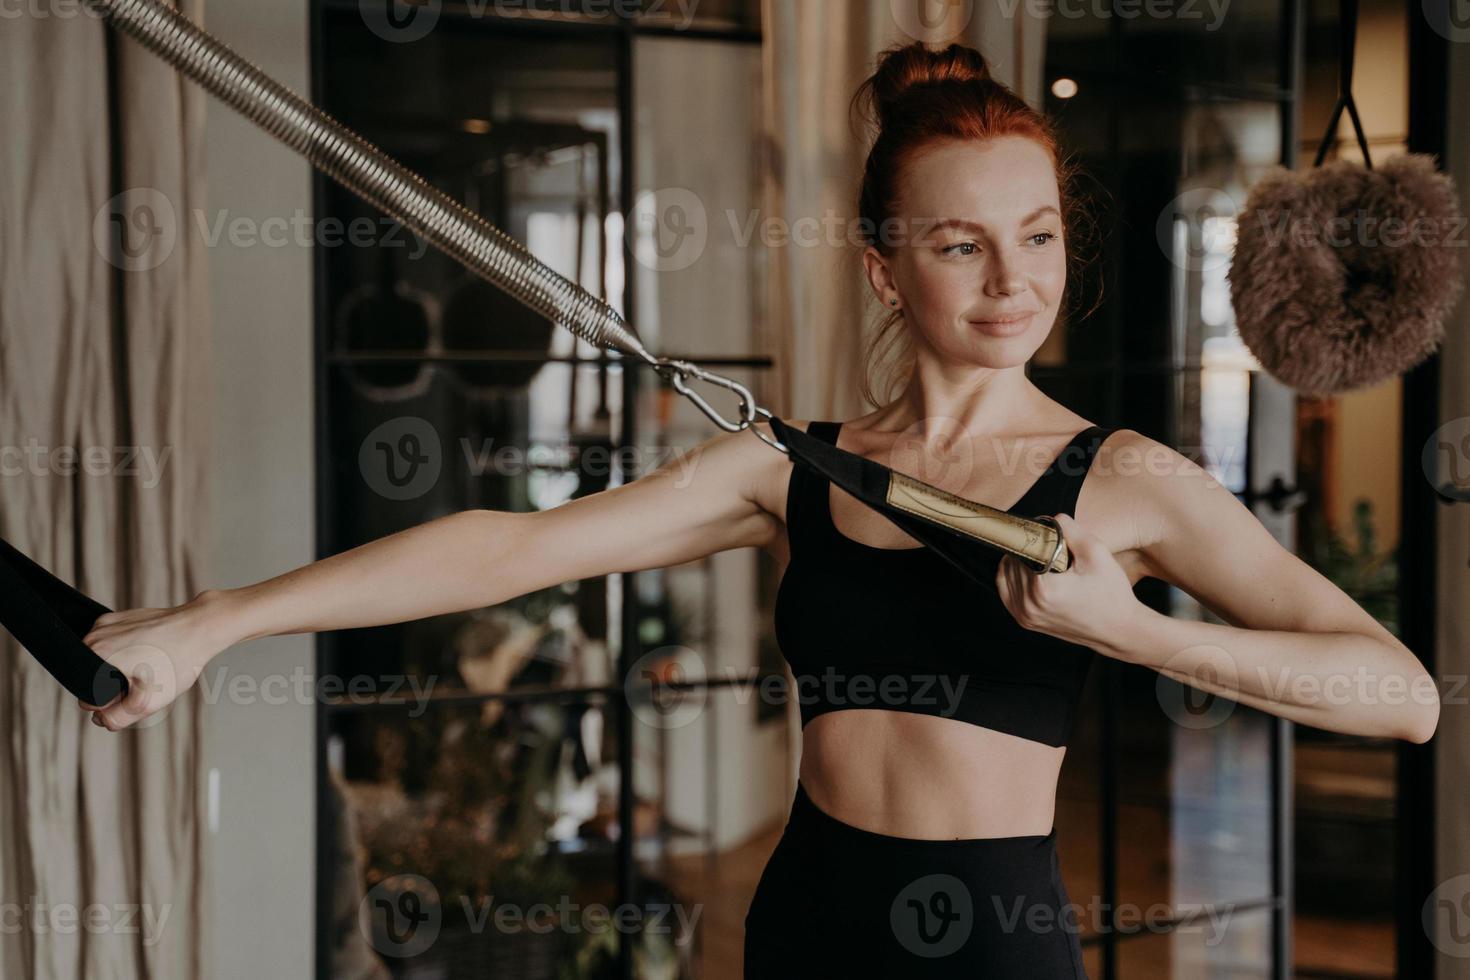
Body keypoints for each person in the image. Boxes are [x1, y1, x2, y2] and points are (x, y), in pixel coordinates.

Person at [78, 40, 1439, 979]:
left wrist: (1135, 635)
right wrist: (217, 625)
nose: (1008, 278)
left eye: (1036, 234)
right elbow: (510, 548)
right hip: (805, 916)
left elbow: (1398, 695)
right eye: (957, 242)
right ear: (882, 267)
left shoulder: (1128, 479)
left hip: (991, 941)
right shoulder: (793, 466)